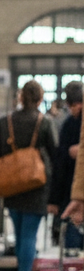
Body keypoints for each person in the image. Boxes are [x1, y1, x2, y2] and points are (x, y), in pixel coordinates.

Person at [0, 80, 56, 271]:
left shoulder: (4, 122)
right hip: (36, 187)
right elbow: (54, 154)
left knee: (19, 235)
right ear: (39, 99)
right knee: (29, 236)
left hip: (11, 186)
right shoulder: (43, 122)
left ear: (20, 97)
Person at [47, 81, 83, 250]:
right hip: (72, 195)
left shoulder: (67, 124)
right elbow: (59, 163)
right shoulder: (68, 125)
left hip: (72, 195)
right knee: (72, 250)